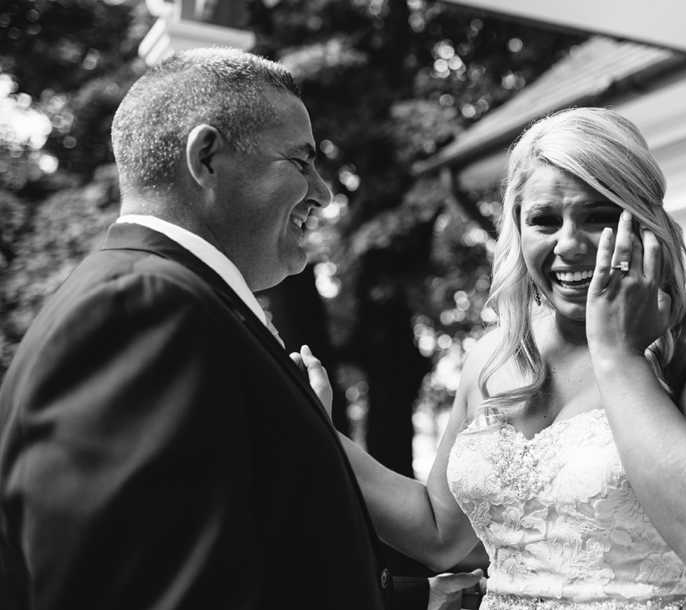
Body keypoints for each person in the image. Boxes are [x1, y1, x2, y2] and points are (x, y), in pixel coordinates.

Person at [0, 48, 480, 610]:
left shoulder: (182, 303)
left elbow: (234, 556)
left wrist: (412, 599)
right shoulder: (141, 305)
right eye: (301, 162)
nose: (323, 192)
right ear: (206, 157)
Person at [304, 107, 686, 609]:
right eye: (545, 220)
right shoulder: (493, 353)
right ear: (518, 229)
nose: (569, 245)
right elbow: (439, 535)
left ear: (643, 221)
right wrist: (319, 428)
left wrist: (620, 357)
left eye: (598, 217)